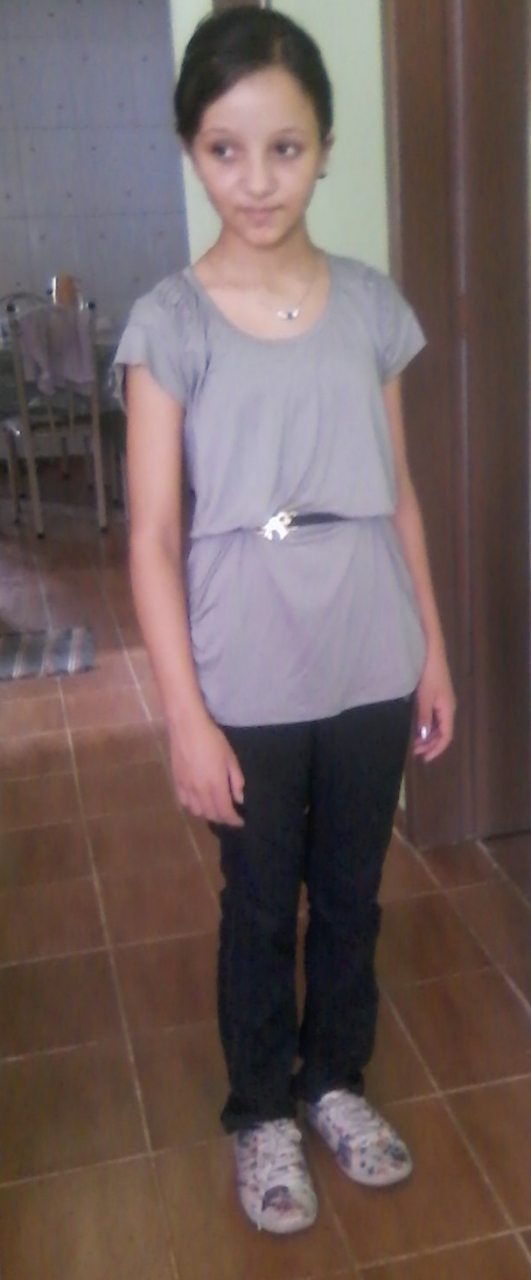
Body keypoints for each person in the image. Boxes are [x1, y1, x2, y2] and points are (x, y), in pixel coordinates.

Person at [114, 4, 456, 1236]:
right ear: (192, 151)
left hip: (370, 649)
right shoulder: (169, 323)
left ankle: (334, 1079)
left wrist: (433, 652)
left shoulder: (370, 305)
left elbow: (399, 490)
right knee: (261, 904)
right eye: (225, 149)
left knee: (353, 892)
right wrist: (184, 719)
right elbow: (153, 536)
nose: (256, 180)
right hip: (245, 667)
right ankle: (262, 1104)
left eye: (285, 148)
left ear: (323, 149)